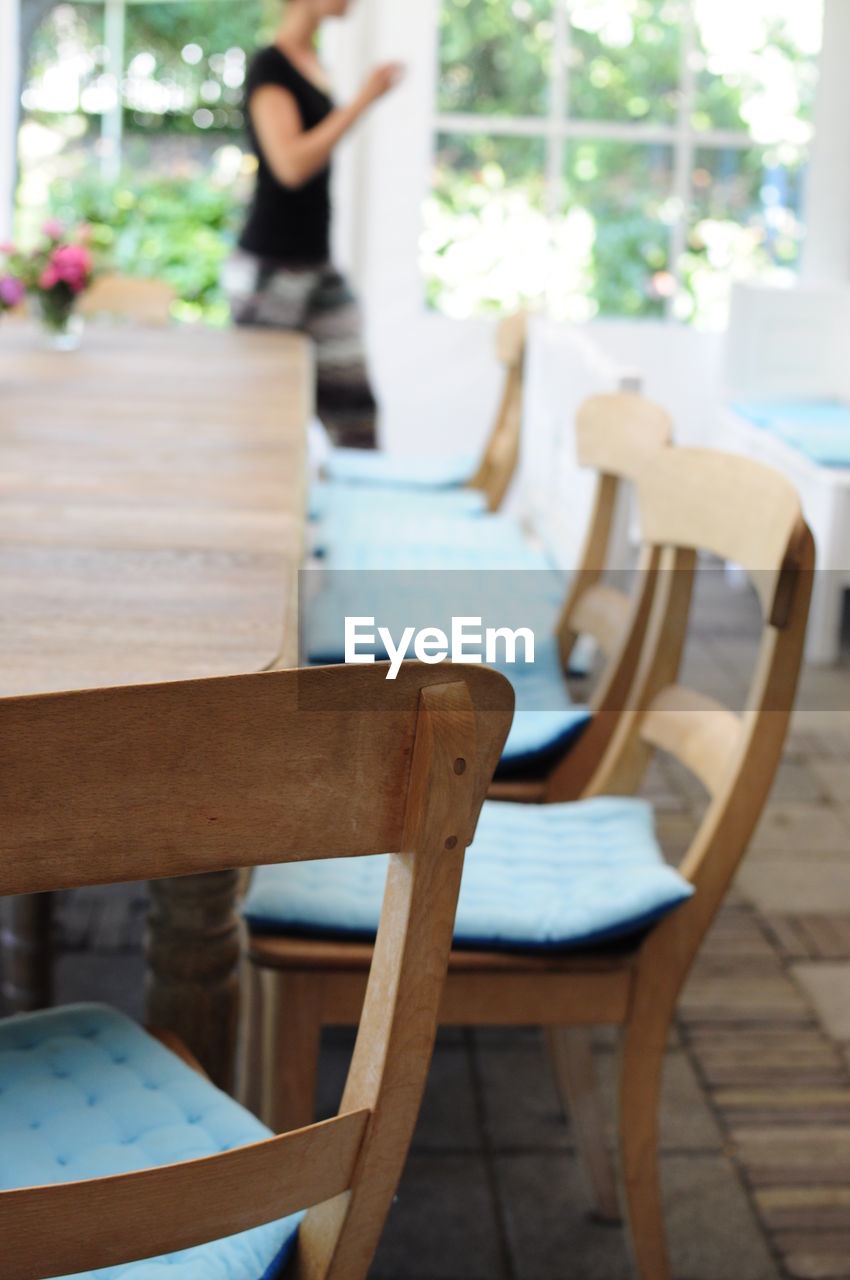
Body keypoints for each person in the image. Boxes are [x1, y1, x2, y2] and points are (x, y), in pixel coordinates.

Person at [227, 0, 402, 449]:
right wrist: (364, 99)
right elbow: (289, 166)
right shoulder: (271, 66)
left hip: (315, 263)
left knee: (358, 420)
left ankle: (359, 515)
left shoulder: (312, 64)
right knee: (267, 422)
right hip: (271, 270)